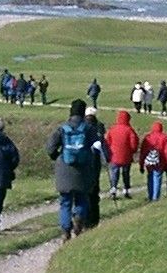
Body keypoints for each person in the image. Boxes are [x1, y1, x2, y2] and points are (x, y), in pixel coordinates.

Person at [48, 98, 99, 239]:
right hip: (83, 170)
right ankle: (78, 220)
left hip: (65, 168)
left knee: (65, 202)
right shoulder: (89, 129)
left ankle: (65, 231)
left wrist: (58, 157)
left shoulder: (62, 128)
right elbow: (97, 146)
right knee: (82, 199)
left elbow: (50, 148)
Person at [103, 107, 140, 197]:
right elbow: (134, 143)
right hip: (126, 156)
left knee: (114, 173)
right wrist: (133, 151)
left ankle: (113, 189)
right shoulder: (129, 130)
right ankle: (126, 190)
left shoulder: (113, 129)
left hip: (114, 156)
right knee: (126, 173)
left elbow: (107, 142)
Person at [140, 117, 167, 202]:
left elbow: (143, 152)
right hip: (160, 162)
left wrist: (141, 163)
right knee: (157, 177)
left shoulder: (148, 137)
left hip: (149, 161)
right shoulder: (164, 137)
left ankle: (150, 195)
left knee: (150, 177)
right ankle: (155, 197)